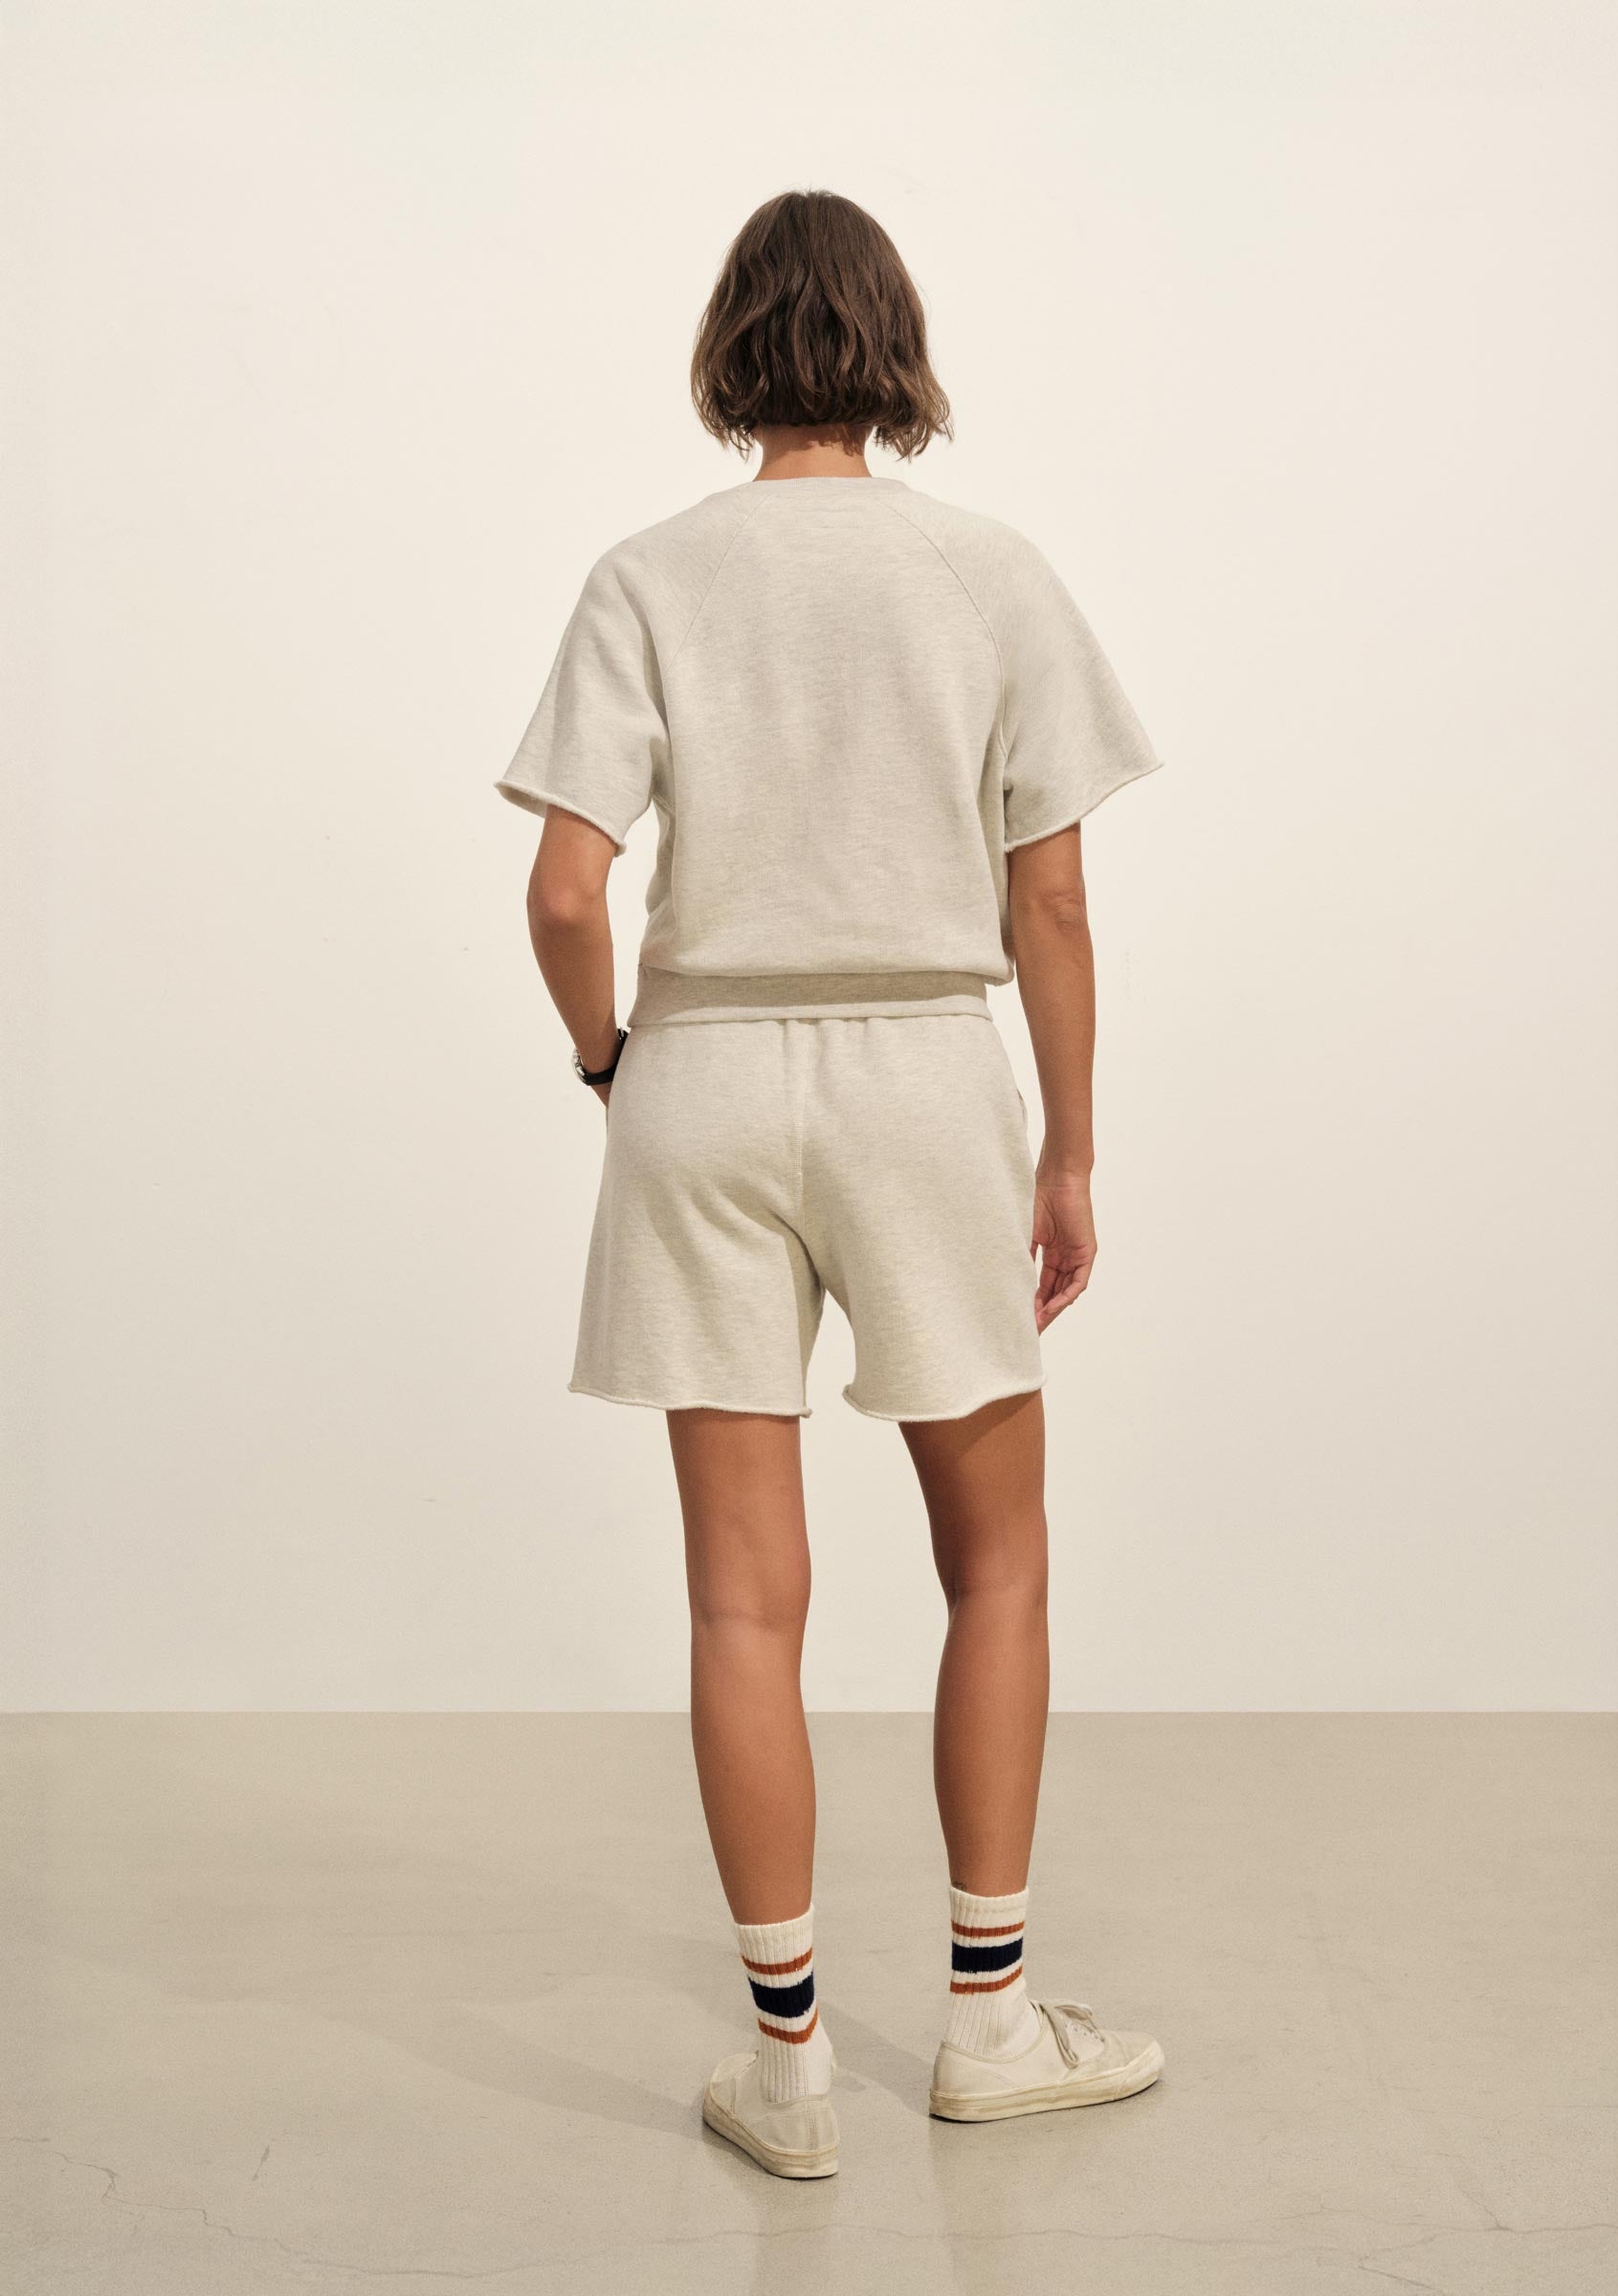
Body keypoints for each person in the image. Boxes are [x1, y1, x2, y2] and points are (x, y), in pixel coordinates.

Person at [496, 188, 1165, 2178]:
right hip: (921, 1080)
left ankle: (787, 2073)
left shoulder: (646, 576)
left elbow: (563, 891)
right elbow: (1053, 899)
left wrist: (614, 1064)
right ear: (895, 349)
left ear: (729, 350)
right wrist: (1070, 1149)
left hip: (702, 1076)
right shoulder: (988, 573)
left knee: (740, 1600)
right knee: (999, 1563)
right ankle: (989, 2025)